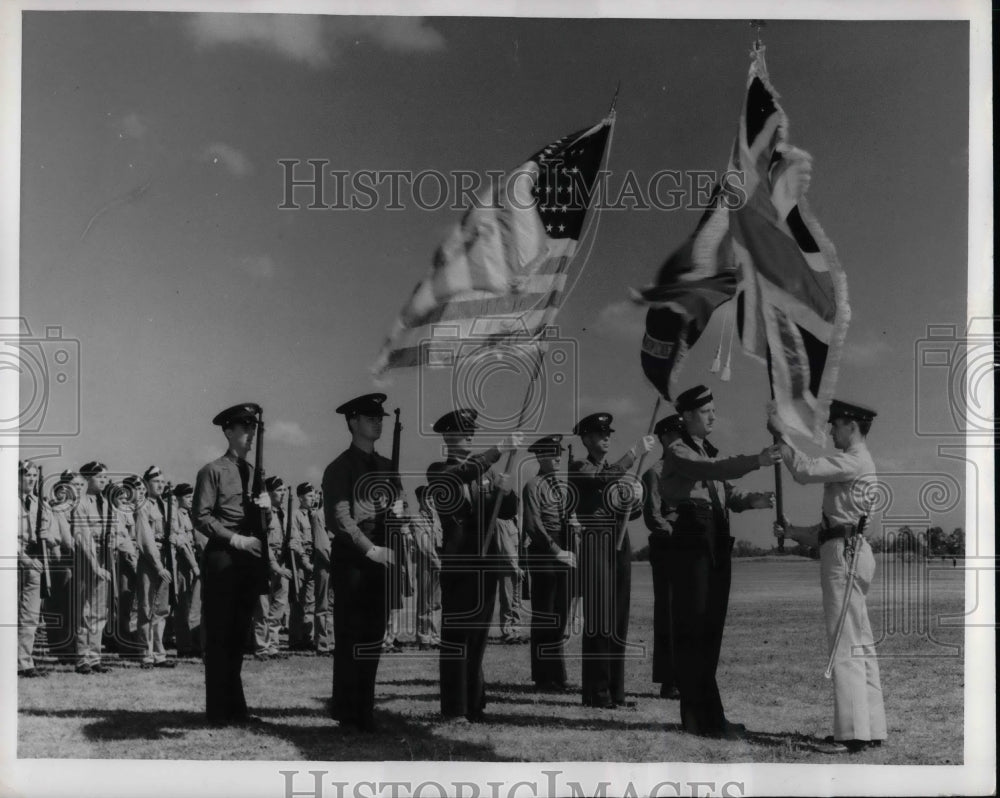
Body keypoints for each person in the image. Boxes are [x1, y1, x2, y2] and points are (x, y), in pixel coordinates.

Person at [660, 385, 779, 738]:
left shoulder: (704, 451)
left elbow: (726, 493)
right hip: (693, 539)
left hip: (714, 538)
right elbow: (713, 471)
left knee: (709, 629)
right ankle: (705, 719)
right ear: (687, 416)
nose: (713, 416)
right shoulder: (679, 451)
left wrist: (753, 501)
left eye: (713, 409)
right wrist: (756, 460)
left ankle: (704, 717)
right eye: (706, 411)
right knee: (695, 630)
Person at [770, 398, 887, 755]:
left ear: (852, 425)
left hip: (845, 557)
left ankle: (851, 734)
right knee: (859, 641)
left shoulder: (854, 460)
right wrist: (791, 532)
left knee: (845, 643)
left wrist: (782, 436)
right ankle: (871, 728)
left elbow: (803, 470)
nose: (831, 430)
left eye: (835, 425)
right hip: (851, 549)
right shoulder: (857, 462)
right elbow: (830, 528)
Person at [427, 407, 522, 723]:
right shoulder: (439, 470)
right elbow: (460, 476)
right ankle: (454, 708)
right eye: (463, 431)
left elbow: (507, 512)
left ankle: (475, 702)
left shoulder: (486, 473)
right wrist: (497, 451)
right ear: (447, 436)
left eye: (471, 430)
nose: (469, 434)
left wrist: (506, 492)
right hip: (460, 562)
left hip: (487, 561)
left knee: (479, 634)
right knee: (457, 636)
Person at [323, 392, 401, 732]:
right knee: (352, 636)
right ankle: (347, 712)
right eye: (370, 417)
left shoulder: (386, 466)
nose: (378, 421)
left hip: (382, 558)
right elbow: (341, 518)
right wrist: (371, 550)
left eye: (380, 417)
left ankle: (364, 710)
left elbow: (396, 507)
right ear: (352, 422)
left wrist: (401, 513)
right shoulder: (340, 467)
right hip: (356, 558)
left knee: (373, 636)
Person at [193, 402, 270, 725]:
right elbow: (201, 515)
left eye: (253, 428)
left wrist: (267, 511)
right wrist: (233, 538)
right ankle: (218, 711)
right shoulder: (213, 470)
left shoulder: (254, 473)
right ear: (228, 431)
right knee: (220, 634)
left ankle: (235, 708)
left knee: (239, 634)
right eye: (244, 428)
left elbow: (260, 523)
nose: (250, 435)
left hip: (249, 556)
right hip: (224, 555)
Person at [569, 413, 652, 709]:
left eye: (608, 433)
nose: (606, 437)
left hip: (619, 538)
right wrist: (633, 454)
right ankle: (596, 691)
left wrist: (635, 499)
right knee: (600, 619)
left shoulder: (614, 470)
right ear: (587, 439)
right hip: (596, 539)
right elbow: (600, 479)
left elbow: (628, 508)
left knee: (618, 617)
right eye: (600, 433)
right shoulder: (579, 466)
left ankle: (616, 690)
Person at [522, 434, 578, 691]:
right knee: (546, 616)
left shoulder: (562, 486)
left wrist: (576, 526)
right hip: (545, 552)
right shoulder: (533, 485)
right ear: (540, 456)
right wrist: (557, 550)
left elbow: (567, 518)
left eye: (559, 453)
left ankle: (558, 674)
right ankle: (544, 676)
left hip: (562, 550)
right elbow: (533, 524)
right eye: (552, 453)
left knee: (560, 615)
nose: (557, 457)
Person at [641, 413, 685, 700]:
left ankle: (687, 674)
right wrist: (675, 533)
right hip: (669, 546)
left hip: (691, 544)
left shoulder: (691, 469)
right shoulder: (655, 472)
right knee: (669, 612)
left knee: (688, 613)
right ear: (666, 438)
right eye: (678, 435)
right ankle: (670, 680)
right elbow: (653, 515)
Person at [72, 461, 115, 674]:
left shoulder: (105, 502)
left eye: (105, 477)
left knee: (100, 611)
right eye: (100, 477)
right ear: (88, 478)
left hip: (103, 558)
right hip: (86, 559)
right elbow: (82, 536)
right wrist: (95, 565)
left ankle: (95, 656)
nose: (104, 481)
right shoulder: (80, 503)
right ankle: (82, 659)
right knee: (85, 610)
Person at [17, 460, 58, 677]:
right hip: (13, 561)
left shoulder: (40, 504)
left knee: (30, 615)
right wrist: (23, 558)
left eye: (34, 476)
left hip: (35, 562)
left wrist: (46, 536)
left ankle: (24, 661)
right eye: (27, 475)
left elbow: (52, 536)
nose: (31, 479)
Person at [135, 465, 176, 669]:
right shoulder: (143, 506)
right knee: (146, 608)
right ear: (147, 484)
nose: (160, 485)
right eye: (156, 481)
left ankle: (159, 654)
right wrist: (159, 566)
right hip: (151, 561)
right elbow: (146, 540)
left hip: (166, 559)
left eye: (162, 481)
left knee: (161, 610)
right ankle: (146, 654)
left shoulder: (164, 505)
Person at [252, 476, 293, 659]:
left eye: (284, 490)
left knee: (279, 606)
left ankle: (273, 647)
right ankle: (262, 647)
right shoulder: (263, 514)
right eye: (279, 490)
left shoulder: (284, 513)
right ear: (268, 493)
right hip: (266, 564)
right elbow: (264, 542)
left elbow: (291, 536)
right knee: (263, 608)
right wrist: (276, 567)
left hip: (282, 562)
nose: (283, 493)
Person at [43, 470, 81, 662]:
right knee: (60, 605)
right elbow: (66, 540)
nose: (77, 489)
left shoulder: (76, 507)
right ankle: (61, 648)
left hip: (74, 560)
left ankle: (70, 645)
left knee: (72, 606)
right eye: (74, 485)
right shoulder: (58, 509)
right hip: (61, 561)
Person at [171, 483, 203, 658]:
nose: (191, 500)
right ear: (178, 498)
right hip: (183, 564)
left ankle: (193, 643)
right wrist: (195, 566)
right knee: (182, 605)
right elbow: (182, 543)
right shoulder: (176, 515)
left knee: (194, 604)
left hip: (191, 564)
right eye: (188, 497)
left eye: (192, 496)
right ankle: (184, 646)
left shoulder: (189, 515)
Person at [289, 482, 320, 653]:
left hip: (314, 561)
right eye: (309, 495)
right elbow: (296, 540)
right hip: (301, 563)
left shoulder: (315, 514)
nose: (313, 498)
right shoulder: (295, 515)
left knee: (311, 602)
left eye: (314, 495)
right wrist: (306, 562)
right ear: (300, 498)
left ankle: (307, 638)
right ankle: (295, 639)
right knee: (298, 602)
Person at [410, 486, 442, 650]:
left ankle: (435, 637)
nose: (430, 501)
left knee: (436, 602)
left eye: (432, 498)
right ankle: (424, 638)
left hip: (438, 565)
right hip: (426, 565)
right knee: (425, 602)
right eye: (426, 499)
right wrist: (437, 561)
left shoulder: (437, 519)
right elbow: (425, 545)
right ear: (420, 500)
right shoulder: (417, 519)